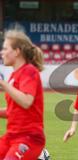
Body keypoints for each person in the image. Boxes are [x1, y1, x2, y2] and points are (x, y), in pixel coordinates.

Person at [0, 30, 45, 159]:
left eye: (5, 49)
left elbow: (26, 101)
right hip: (12, 136)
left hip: (29, 137)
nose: (2, 53)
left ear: (17, 51)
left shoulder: (29, 71)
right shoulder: (14, 76)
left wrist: (3, 84)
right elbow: (13, 111)